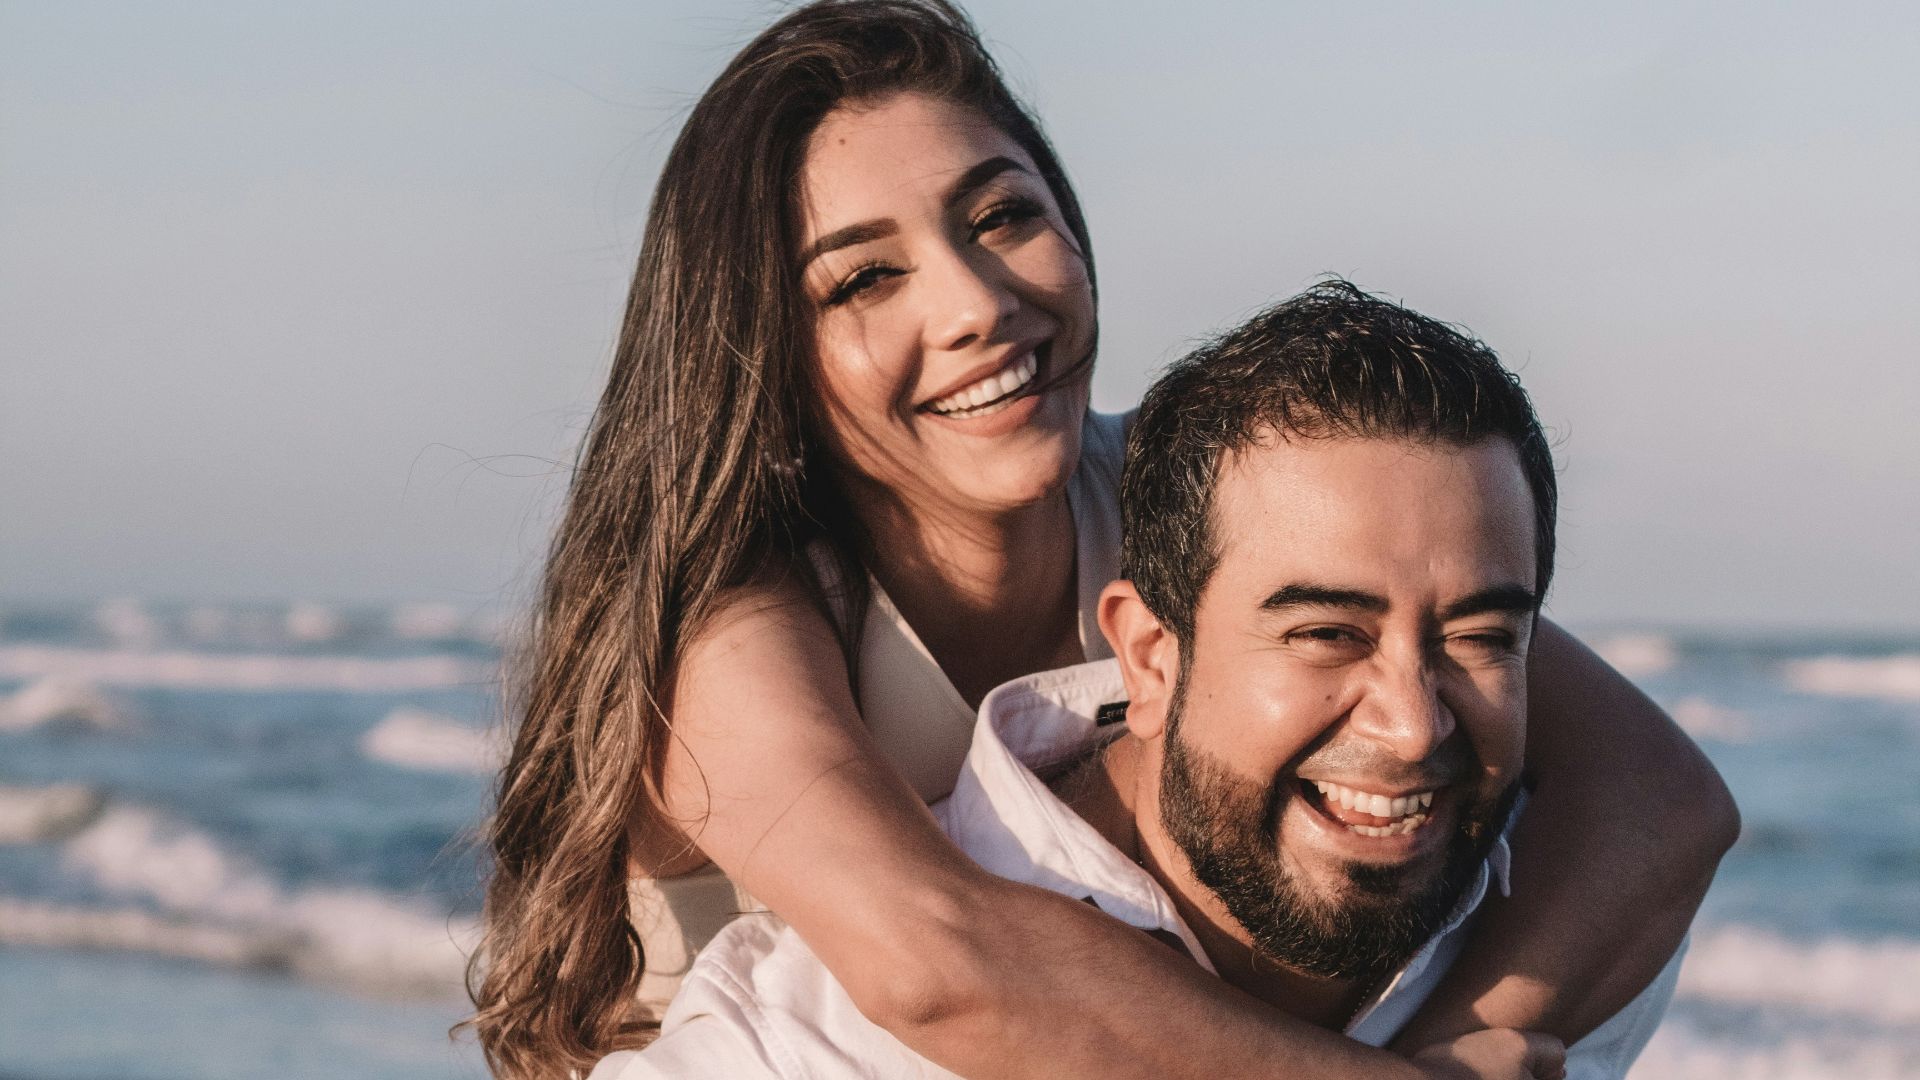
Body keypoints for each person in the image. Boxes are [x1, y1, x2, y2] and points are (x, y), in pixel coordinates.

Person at [468, 3, 1736, 1078]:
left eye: (1002, 215)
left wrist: (1473, 1039)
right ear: (761, 349)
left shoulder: (1180, 498)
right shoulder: (738, 616)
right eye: (864, 279)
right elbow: (935, 966)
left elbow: (1661, 801)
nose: (976, 303)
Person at [586, 282, 1688, 1080]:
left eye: (1480, 636)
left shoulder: (1533, 943)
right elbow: (937, 966)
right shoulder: (801, 1051)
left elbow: (1671, 808)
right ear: (1149, 656)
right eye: (1325, 635)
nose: (1410, 723)